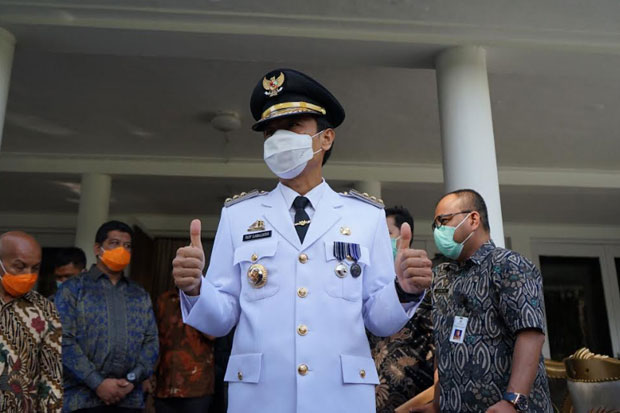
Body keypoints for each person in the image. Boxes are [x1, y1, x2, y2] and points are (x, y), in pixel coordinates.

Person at [172, 68, 433, 413]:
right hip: (261, 398)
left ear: (326, 138)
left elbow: (378, 319)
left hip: (340, 397)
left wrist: (404, 289)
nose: (279, 138)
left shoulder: (364, 216)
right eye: (271, 132)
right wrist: (195, 288)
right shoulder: (238, 216)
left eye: (293, 126)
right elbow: (221, 318)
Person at [414, 189, 552, 413]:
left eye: (444, 221)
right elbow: (445, 346)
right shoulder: (442, 277)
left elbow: (530, 334)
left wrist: (513, 401)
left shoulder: (508, 265)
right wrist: (438, 403)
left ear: (473, 219)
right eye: (435, 225)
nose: (438, 231)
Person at [55, 221, 158, 413]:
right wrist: (97, 383)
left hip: (129, 399)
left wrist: (131, 380)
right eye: (114, 243)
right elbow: (62, 340)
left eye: (127, 246)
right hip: (82, 400)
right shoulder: (73, 289)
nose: (122, 250)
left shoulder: (139, 294)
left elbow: (151, 342)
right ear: (97, 248)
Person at [368, 206, 435, 412]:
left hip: (411, 403)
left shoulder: (424, 289)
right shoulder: (362, 287)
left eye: (387, 233)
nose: (380, 241)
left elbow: (443, 353)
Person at [0, 231, 63, 412]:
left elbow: (51, 376)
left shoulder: (45, 309)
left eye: (35, 268)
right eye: (19, 267)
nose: (28, 275)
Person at [153, 288, 215, 413]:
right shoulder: (164, 300)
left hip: (196, 388)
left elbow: (213, 334)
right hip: (165, 385)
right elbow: (155, 339)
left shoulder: (209, 298)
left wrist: (193, 298)